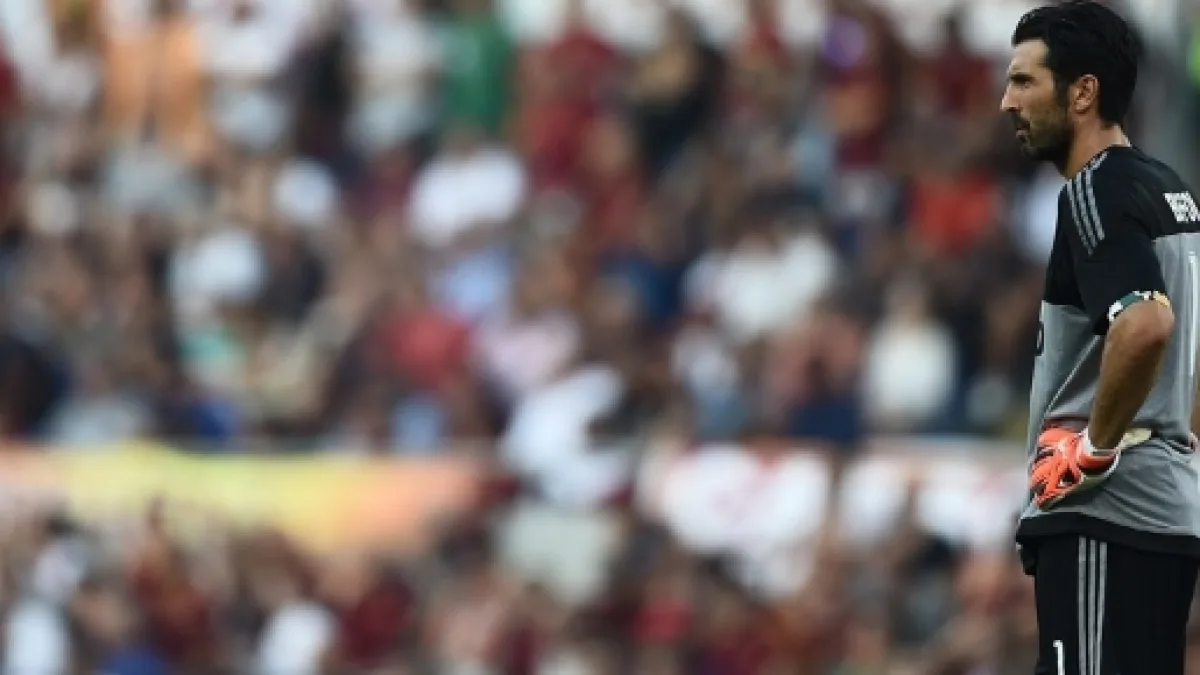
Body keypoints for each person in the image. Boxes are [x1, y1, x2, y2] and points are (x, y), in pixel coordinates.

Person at [1002, 2, 1200, 674]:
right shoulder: (1169, 189)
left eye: (1024, 81)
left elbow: (1146, 324)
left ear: (1082, 92)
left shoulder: (1095, 189)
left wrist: (1093, 449)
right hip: (1164, 514)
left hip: (1104, 515)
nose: (1008, 101)